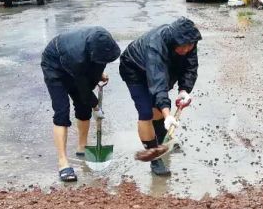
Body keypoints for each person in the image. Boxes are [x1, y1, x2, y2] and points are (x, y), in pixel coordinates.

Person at [119, 17, 201, 176]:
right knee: (146, 112)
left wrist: (184, 90)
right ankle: (154, 157)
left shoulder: (189, 41)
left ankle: (162, 143)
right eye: (182, 47)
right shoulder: (155, 46)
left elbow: (190, 67)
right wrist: (167, 115)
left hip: (163, 68)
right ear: (173, 41)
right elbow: (158, 84)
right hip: (134, 69)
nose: (186, 50)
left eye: (189, 46)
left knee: (157, 108)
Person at [41, 26, 121, 182]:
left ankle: (82, 147)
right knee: (61, 112)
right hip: (54, 66)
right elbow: (83, 88)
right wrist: (96, 106)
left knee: (83, 108)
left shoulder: (102, 41)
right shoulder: (76, 57)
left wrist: (98, 74)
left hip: (77, 65)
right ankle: (63, 162)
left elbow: (97, 64)